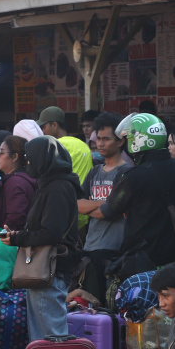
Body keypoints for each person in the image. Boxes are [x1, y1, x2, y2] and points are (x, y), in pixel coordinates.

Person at [1, 136, 81, 341]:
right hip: (45, 269)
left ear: (44, 159)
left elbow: (51, 232)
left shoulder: (58, 187)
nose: (28, 163)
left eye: (31, 158)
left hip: (51, 269)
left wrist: (19, 238)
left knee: (51, 335)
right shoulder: (49, 184)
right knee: (42, 335)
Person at [100, 113, 175, 267]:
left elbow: (109, 209)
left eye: (129, 138)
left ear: (139, 140)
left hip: (142, 258)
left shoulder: (134, 176)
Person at [77, 113, 133, 299]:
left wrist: (100, 207)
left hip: (114, 250)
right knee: (90, 301)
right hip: (90, 246)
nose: (100, 143)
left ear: (119, 142)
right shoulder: (94, 172)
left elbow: (109, 212)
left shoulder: (126, 172)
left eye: (106, 139)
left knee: (108, 303)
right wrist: (108, 203)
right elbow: (77, 204)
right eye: (98, 139)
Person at [37, 106, 93, 229]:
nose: (42, 131)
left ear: (54, 125)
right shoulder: (82, 145)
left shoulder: (55, 147)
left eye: (44, 127)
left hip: (64, 214)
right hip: (86, 213)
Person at [0, 134, 37, 231]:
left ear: (14, 156)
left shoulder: (15, 182)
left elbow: (15, 217)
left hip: (10, 241)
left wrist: (6, 236)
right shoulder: (24, 178)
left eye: (1, 152)